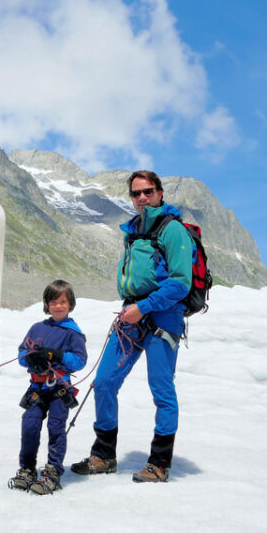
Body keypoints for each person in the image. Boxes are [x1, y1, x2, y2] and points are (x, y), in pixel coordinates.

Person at [70, 171, 192, 483]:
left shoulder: (173, 229)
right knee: (105, 381)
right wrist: (133, 308)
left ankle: (159, 464)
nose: (141, 198)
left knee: (161, 388)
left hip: (163, 316)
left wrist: (144, 307)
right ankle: (104, 456)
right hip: (132, 313)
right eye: (136, 193)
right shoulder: (134, 230)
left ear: (160, 193)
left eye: (148, 192)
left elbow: (180, 283)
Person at [8, 280, 87, 495]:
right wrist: (32, 359)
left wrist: (56, 355)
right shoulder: (37, 328)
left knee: (55, 428)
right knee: (30, 426)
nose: (58, 306)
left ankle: (53, 471)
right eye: (54, 302)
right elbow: (22, 354)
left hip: (59, 390)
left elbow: (80, 361)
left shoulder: (73, 333)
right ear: (46, 304)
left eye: (63, 302)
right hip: (37, 388)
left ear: (70, 304)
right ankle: (27, 468)